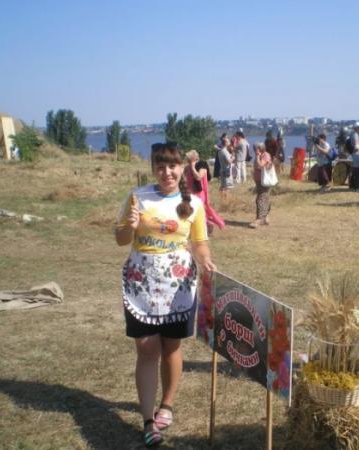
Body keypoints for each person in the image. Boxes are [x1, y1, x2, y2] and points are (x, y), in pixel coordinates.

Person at [115, 142, 217, 447]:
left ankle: (167, 405)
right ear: (153, 169)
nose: (166, 172)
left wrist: (206, 260)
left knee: (172, 348)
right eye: (160, 166)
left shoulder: (194, 204)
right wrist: (129, 227)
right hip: (142, 283)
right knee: (147, 350)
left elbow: (199, 242)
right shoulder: (137, 197)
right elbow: (120, 239)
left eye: (172, 165)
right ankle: (148, 421)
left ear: (182, 168)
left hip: (178, 286)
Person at [184, 149, 225, 232]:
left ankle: (209, 224)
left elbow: (198, 177)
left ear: (194, 158)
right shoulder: (187, 167)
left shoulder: (202, 166)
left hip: (199, 193)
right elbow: (182, 176)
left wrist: (192, 167)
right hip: (190, 193)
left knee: (197, 210)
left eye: (189, 159)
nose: (188, 161)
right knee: (194, 211)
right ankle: (206, 224)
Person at [249, 142, 273, 228]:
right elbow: (255, 166)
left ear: (260, 148)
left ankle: (260, 219)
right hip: (259, 181)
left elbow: (259, 166)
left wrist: (258, 156)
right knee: (264, 197)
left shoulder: (265, 155)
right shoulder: (260, 155)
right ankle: (265, 217)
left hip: (264, 181)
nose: (255, 150)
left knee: (261, 198)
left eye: (256, 148)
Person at [218, 137, 234, 206]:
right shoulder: (225, 151)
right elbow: (229, 161)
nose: (230, 142)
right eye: (228, 141)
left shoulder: (220, 151)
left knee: (223, 186)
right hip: (226, 170)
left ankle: (222, 200)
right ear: (226, 143)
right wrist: (233, 157)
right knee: (227, 187)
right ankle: (227, 201)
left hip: (222, 169)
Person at [349, 122, 359, 191]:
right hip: (357, 154)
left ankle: (353, 185)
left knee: (355, 170)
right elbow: (356, 146)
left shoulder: (354, 134)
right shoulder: (355, 135)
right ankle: (357, 187)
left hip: (355, 154)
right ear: (357, 128)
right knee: (358, 171)